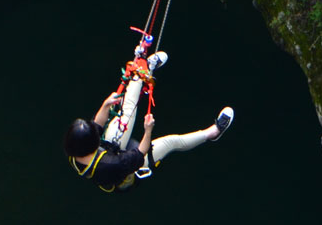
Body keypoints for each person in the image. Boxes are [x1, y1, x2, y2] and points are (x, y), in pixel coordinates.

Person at [64, 50, 234, 192]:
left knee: (126, 109)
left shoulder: (75, 150)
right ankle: (213, 133)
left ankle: (145, 69)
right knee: (171, 142)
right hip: (127, 172)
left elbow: (97, 125)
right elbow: (139, 153)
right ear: (92, 144)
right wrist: (148, 130)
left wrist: (105, 105)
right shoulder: (112, 165)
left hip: (108, 149)